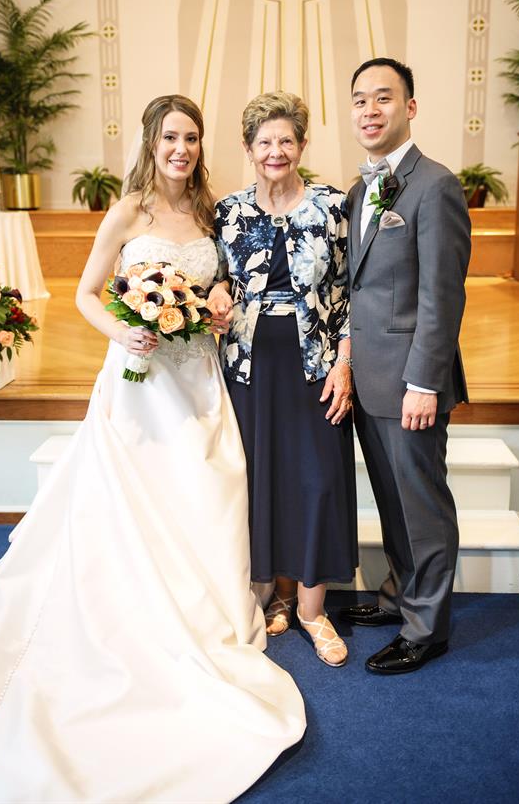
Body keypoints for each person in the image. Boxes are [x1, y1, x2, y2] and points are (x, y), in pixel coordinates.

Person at [0, 95, 305, 803]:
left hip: (198, 377)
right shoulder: (128, 212)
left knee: (207, 490)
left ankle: (205, 609)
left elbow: (222, 281)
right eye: (170, 136)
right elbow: (87, 294)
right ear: (151, 142)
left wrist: (218, 302)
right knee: (137, 498)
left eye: (191, 137)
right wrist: (123, 329)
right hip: (139, 382)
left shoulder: (210, 214)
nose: (181, 148)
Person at [210, 91, 358, 669]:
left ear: (302, 145)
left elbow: (350, 293)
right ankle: (272, 596)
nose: (276, 151)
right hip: (247, 368)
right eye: (265, 141)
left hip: (315, 366)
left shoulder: (331, 207)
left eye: (286, 140)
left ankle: (313, 612)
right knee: (259, 480)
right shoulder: (227, 212)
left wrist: (344, 362)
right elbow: (217, 278)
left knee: (317, 481)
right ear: (248, 149)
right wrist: (217, 291)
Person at [339, 58, 471, 674]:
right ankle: (398, 595)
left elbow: (442, 296)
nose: (370, 110)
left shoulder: (435, 185)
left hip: (412, 381)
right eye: (360, 100)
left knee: (422, 507)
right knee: (392, 502)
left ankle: (427, 628)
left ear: (410, 107)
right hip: (370, 378)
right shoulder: (360, 190)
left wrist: (424, 381)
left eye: (383, 98)